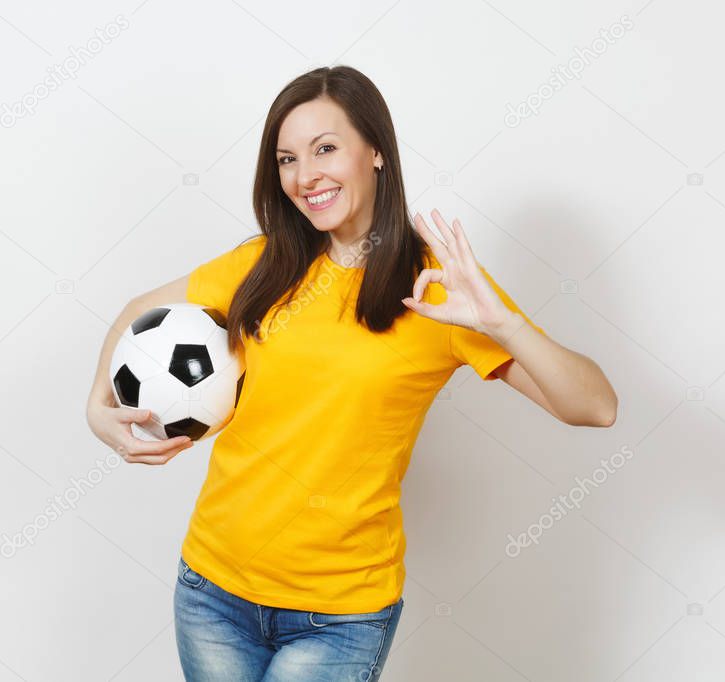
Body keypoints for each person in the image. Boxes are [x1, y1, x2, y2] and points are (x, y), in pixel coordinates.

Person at [86, 65, 617, 681]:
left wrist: (505, 325)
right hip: (212, 591)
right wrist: (98, 409)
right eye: (287, 158)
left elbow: (595, 407)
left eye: (326, 149)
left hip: (338, 618)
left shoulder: (436, 288)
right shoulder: (261, 265)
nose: (304, 175)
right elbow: (135, 312)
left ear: (376, 153)